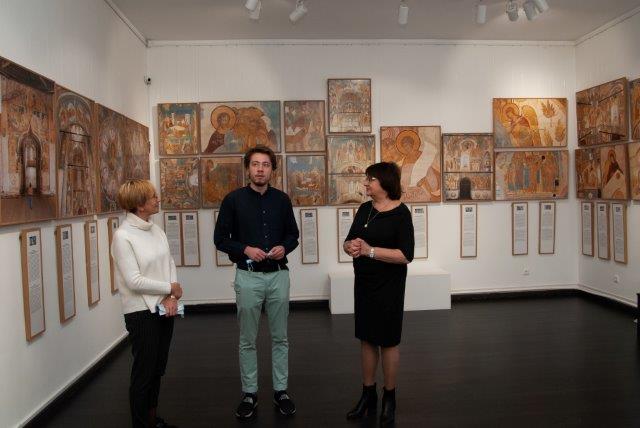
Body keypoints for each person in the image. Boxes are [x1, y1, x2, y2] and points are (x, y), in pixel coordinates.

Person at [214, 145, 300, 420]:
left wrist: (284, 247)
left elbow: (293, 235)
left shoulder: (282, 200)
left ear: (272, 170)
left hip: (278, 275)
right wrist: (245, 249)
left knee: (280, 338)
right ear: (247, 168)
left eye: (265, 165)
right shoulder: (233, 200)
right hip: (248, 276)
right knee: (247, 339)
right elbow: (220, 239)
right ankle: (249, 393)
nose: (260, 169)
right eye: (255, 164)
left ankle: (281, 391)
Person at [343, 162, 414, 426]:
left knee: (388, 341)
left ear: (384, 182)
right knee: (367, 338)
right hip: (364, 283)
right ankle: (368, 394)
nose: (365, 183)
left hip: (389, 286)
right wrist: (350, 246)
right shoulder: (364, 209)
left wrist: (369, 251)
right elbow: (349, 241)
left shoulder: (401, 214)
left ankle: (389, 398)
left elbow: (405, 255)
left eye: (370, 179)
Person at [111, 179, 183, 428]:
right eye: (153, 196)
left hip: (163, 307)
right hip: (140, 313)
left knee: (158, 369)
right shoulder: (123, 237)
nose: (157, 199)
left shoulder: (156, 230)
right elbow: (134, 281)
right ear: (139, 204)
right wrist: (169, 289)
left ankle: (153, 420)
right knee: (144, 373)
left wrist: (171, 297)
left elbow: (169, 262)